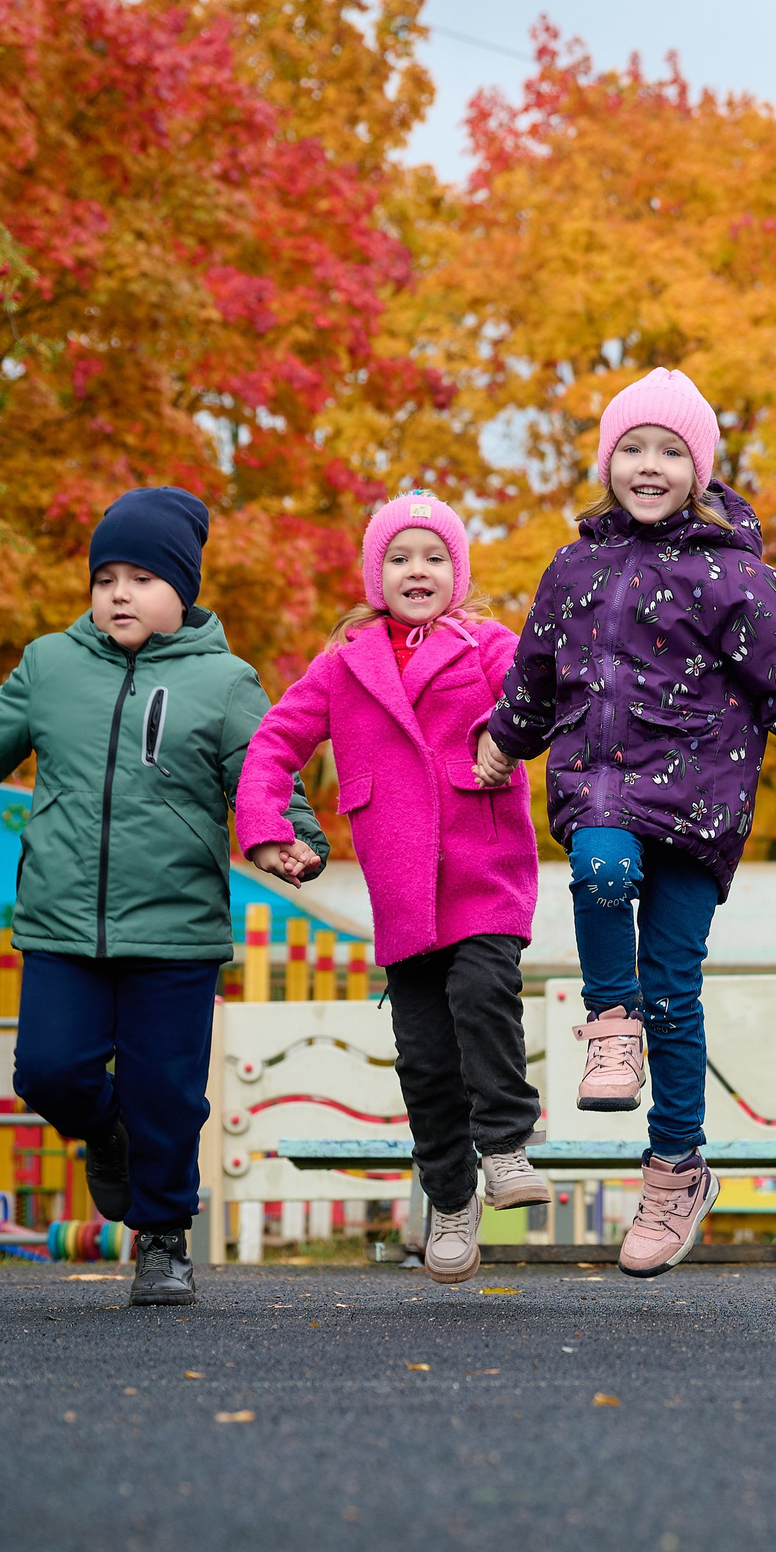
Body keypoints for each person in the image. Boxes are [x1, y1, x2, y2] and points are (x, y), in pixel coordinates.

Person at [0, 487, 326, 1306]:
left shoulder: (224, 681)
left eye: (141, 577)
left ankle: (164, 1239)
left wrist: (293, 839)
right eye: (106, 577)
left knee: (168, 1094)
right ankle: (105, 1133)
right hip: (64, 921)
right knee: (49, 1072)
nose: (119, 593)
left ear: (184, 590)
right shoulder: (51, 665)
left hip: (174, 930)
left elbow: (265, 770)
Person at [473, 369, 776, 1278]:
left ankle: (676, 1168)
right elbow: (534, 670)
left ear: (700, 469)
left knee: (676, 987)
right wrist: (504, 738)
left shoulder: (735, 576)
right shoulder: (571, 569)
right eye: (632, 449)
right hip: (603, 786)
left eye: (670, 451)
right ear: (608, 464)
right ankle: (610, 1018)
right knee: (599, 866)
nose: (649, 465)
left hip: (700, 800)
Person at [236, 493, 545, 1285]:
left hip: (484, 864)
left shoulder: (486, 644)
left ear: (458, 572)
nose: (419, 571)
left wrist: (503, 736)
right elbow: (276, 741)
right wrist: (269, 826)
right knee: (424, 1057)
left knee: (484, 993)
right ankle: (449, 1197)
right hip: (402, 886)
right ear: (377, 574)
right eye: (401, 558)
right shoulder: (345, 660)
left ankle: (506, 1146)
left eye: (435, 557)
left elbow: (536, 696)